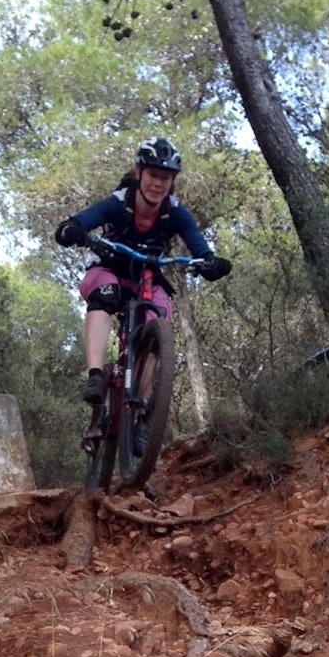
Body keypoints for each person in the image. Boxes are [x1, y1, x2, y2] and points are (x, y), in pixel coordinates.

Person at [54, 138, 232, 449]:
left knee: (158, 322)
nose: (158, 184)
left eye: (165, 177)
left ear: (172, 181)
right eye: (153, 175)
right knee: (105, 294)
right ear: (139, 173)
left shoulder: (175, 212)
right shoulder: (119, 202)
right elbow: (83, 220)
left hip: (148, 277)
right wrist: (72, 229)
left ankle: (142, 416)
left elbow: (199, 246)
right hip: (109, 269)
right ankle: (95, 376)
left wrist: (210, 262)